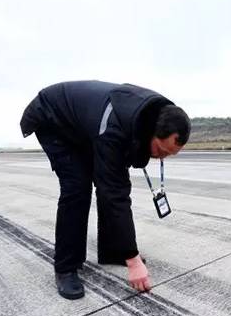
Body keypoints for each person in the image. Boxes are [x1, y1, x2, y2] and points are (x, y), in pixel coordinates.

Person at [19, 80, 191, 300]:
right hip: (52, 118)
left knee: (106, 181)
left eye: (169, 154)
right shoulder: (113, 129)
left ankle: (113, 250)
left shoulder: (154, 114)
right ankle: (65, 267)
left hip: (83, 126)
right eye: (161, 150)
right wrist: (133, 260)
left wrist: (125, 252)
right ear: (150, 132)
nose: (162, 157)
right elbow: (115, 194)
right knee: (77, 188)